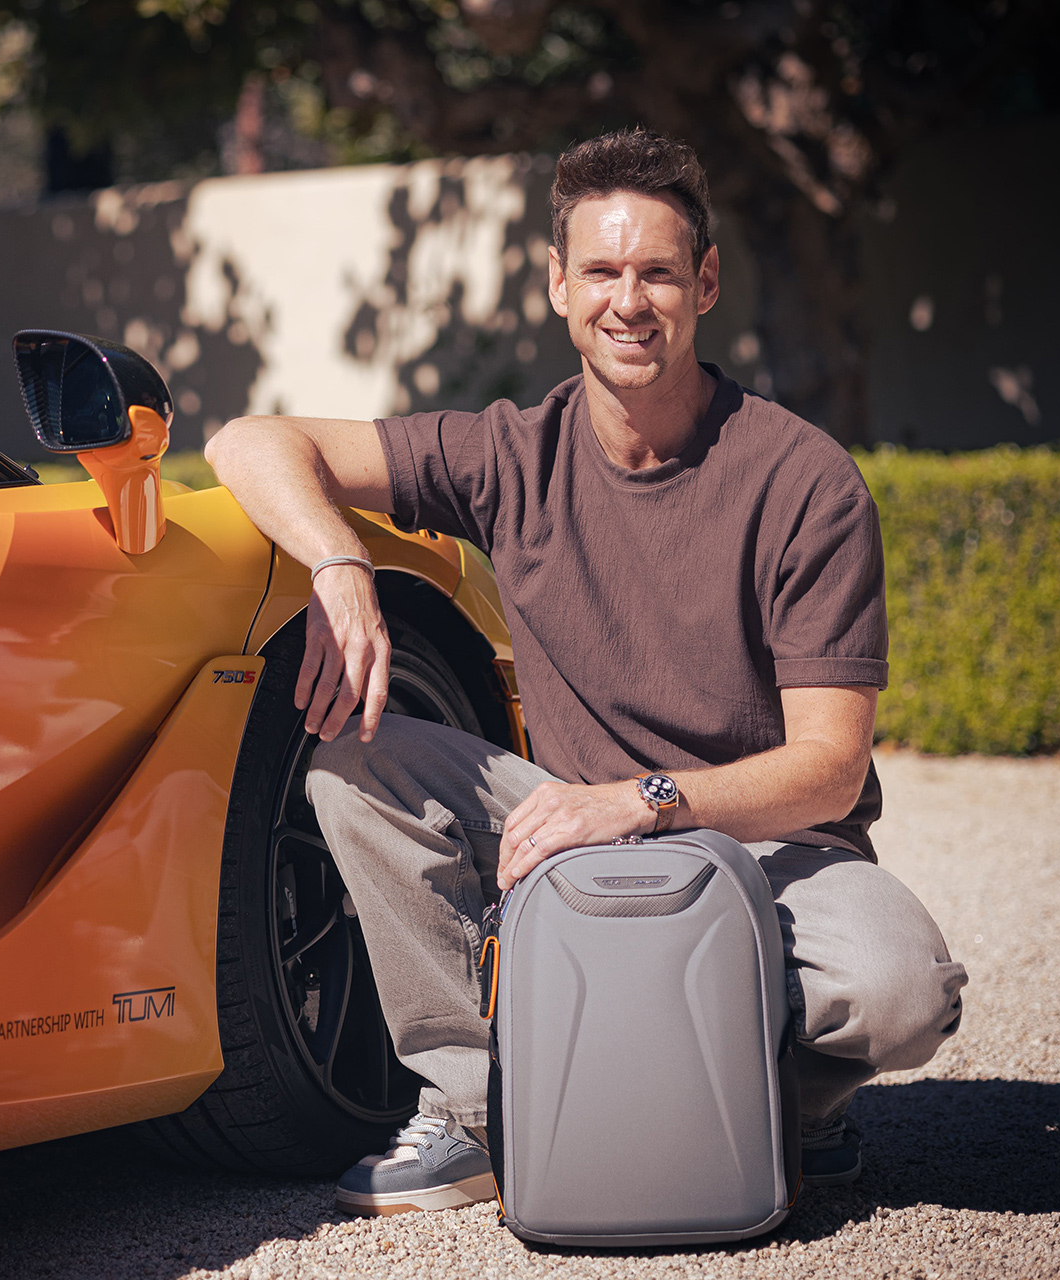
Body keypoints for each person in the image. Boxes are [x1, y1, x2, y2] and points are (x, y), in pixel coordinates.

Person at [204, 128, 968, 1218]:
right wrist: (340, 564)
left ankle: (785, 1106)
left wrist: (646, 801)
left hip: (765, 842)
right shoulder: (511, 452)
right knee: (354, 757)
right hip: (573, 840)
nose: (630, 300)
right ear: (558, 286)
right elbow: (251, 440)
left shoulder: (806, 481)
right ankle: (477, 1105)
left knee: (899, 994)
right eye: (602, 272)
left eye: (658, 271)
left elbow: (831, 768)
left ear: (704, 281)